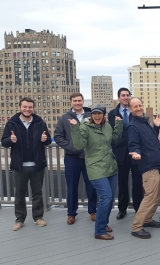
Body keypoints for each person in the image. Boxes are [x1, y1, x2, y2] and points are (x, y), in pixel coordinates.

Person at [69, 104, 123, 240]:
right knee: (106, 197)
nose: (97, 116)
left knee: (110, 199)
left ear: (103, 115)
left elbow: (114, 140)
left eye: (100, 113)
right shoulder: (85, 127)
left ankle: (103, 224)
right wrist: (75, 128)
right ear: (91, 115)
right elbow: (79, 145)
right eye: (94, 113)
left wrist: (119, 125)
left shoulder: (107, 126)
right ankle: (99, 231)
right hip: (95, 167)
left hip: (110, 166)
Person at [1, 97, 52, 231]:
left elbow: (48, 141)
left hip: (37, 165)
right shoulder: (12, 123)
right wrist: (10, 140)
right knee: (19, 194)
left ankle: (38, 217)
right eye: (25, 107)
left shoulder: (40, 122)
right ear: (20, 107)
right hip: (19, 166)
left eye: (30, 107)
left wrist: (45, 139)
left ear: (33, 108)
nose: (27, 109)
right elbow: (4, 142)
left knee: (37, 193)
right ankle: (20, 219)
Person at [54, 92, 97, 225]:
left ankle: (93, 211)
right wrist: (72, 147)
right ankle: (71, 213)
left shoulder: (91, 116)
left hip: (89, 157)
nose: (77, 103)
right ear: (71, 102)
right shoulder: (64, 118)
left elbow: (97, 132)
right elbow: (58, 136)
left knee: (92, 185)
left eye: (79, 100)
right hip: (72, 157)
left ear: (83, 101)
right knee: (72, 186)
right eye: (75, 101)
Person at [128, 97, 160, 239]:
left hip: (158, 164)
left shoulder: (145, 123)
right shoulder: (133, 126)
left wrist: (156, 126)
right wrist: (136, 152)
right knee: (150, 196)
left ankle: (148, 219)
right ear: (131, 109)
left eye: (139, 105)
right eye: (135, 107)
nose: (138, 108)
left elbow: (150, 140)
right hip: (149, 166)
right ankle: (137, 227)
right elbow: (133, 144)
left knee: (158, 195)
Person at [108, 87, 143, 220]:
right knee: (122, 181)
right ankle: (122, 209)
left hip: (135, 152)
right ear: (119, 98)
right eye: (123, 95)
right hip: (120, 153)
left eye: (127, 95)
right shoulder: (112, 114)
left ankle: (138, 208)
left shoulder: (135, 111)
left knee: (137, 181)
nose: (126, 97)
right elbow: (111, 133)